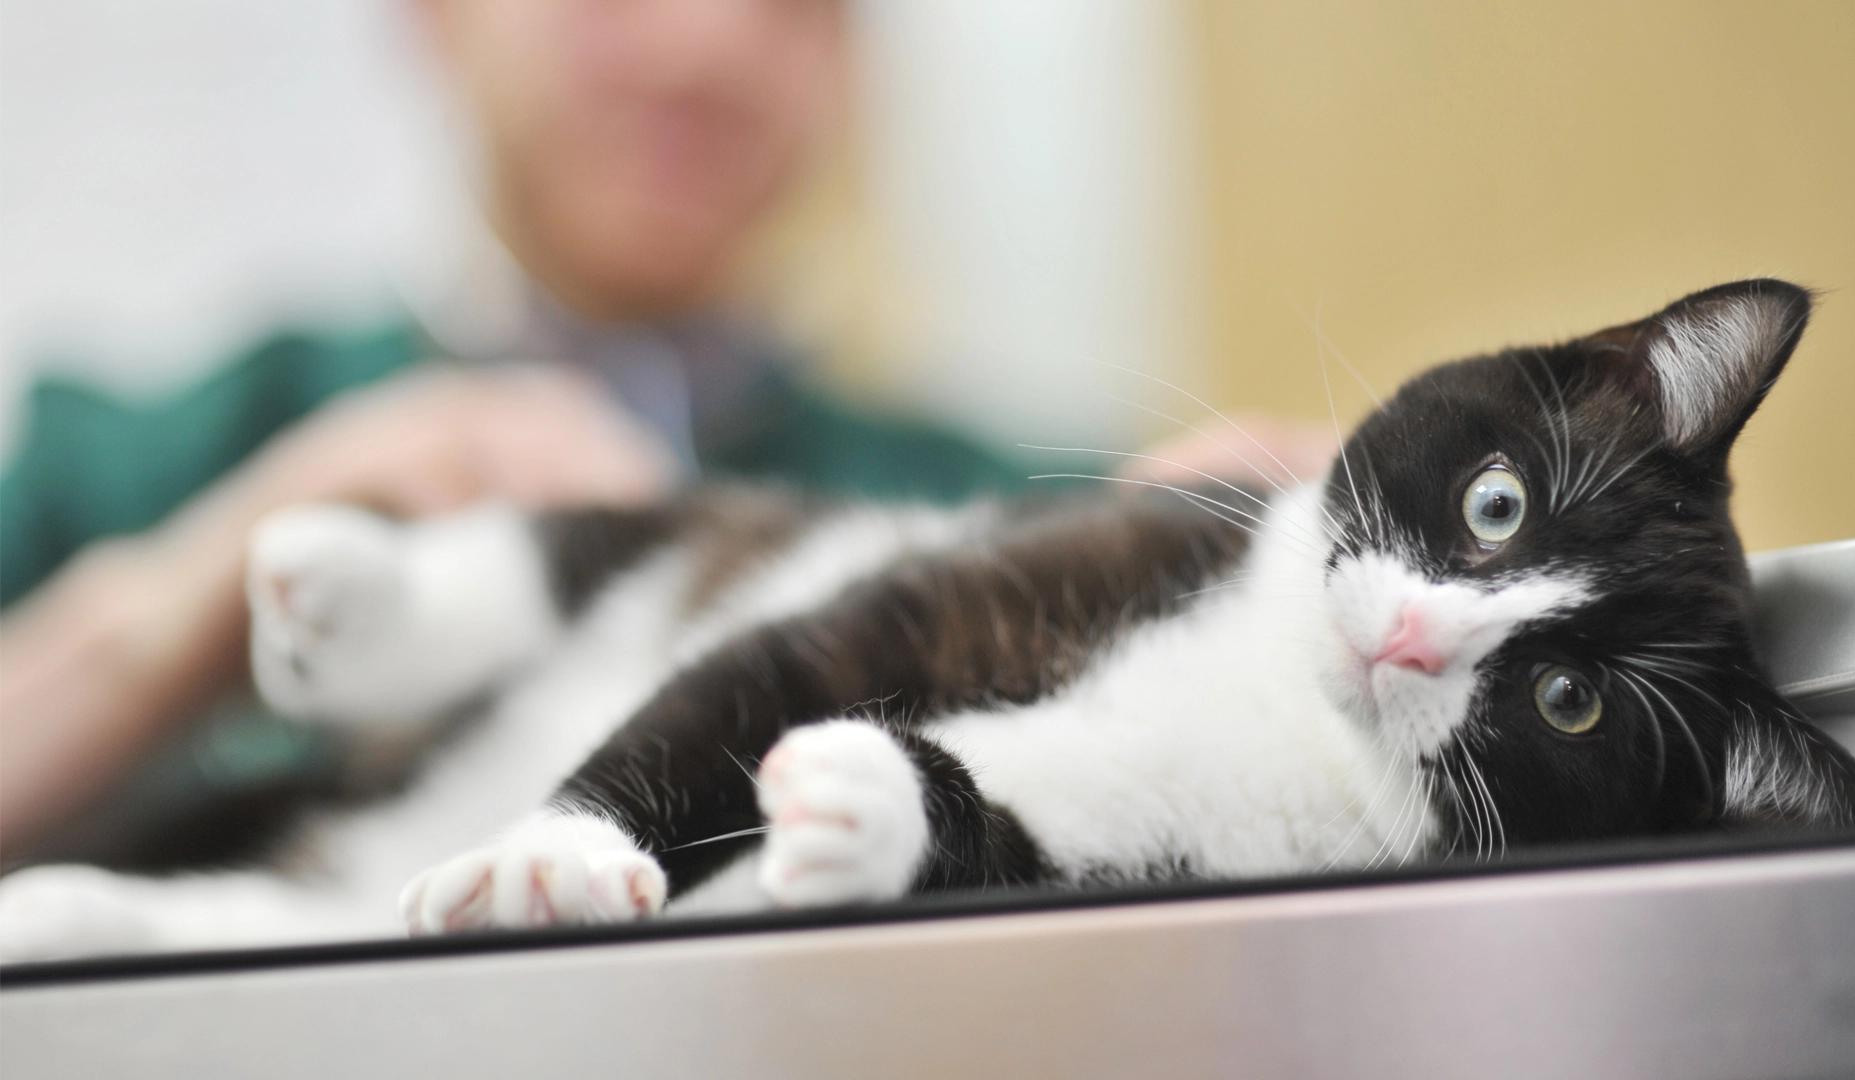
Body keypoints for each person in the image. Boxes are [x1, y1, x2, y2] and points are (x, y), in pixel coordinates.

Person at [0, 0, 1333, 863]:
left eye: (795, 8)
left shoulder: (1016, 495)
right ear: (435, 18)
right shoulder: (131, 469)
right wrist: (164, 625)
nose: (705, 48)